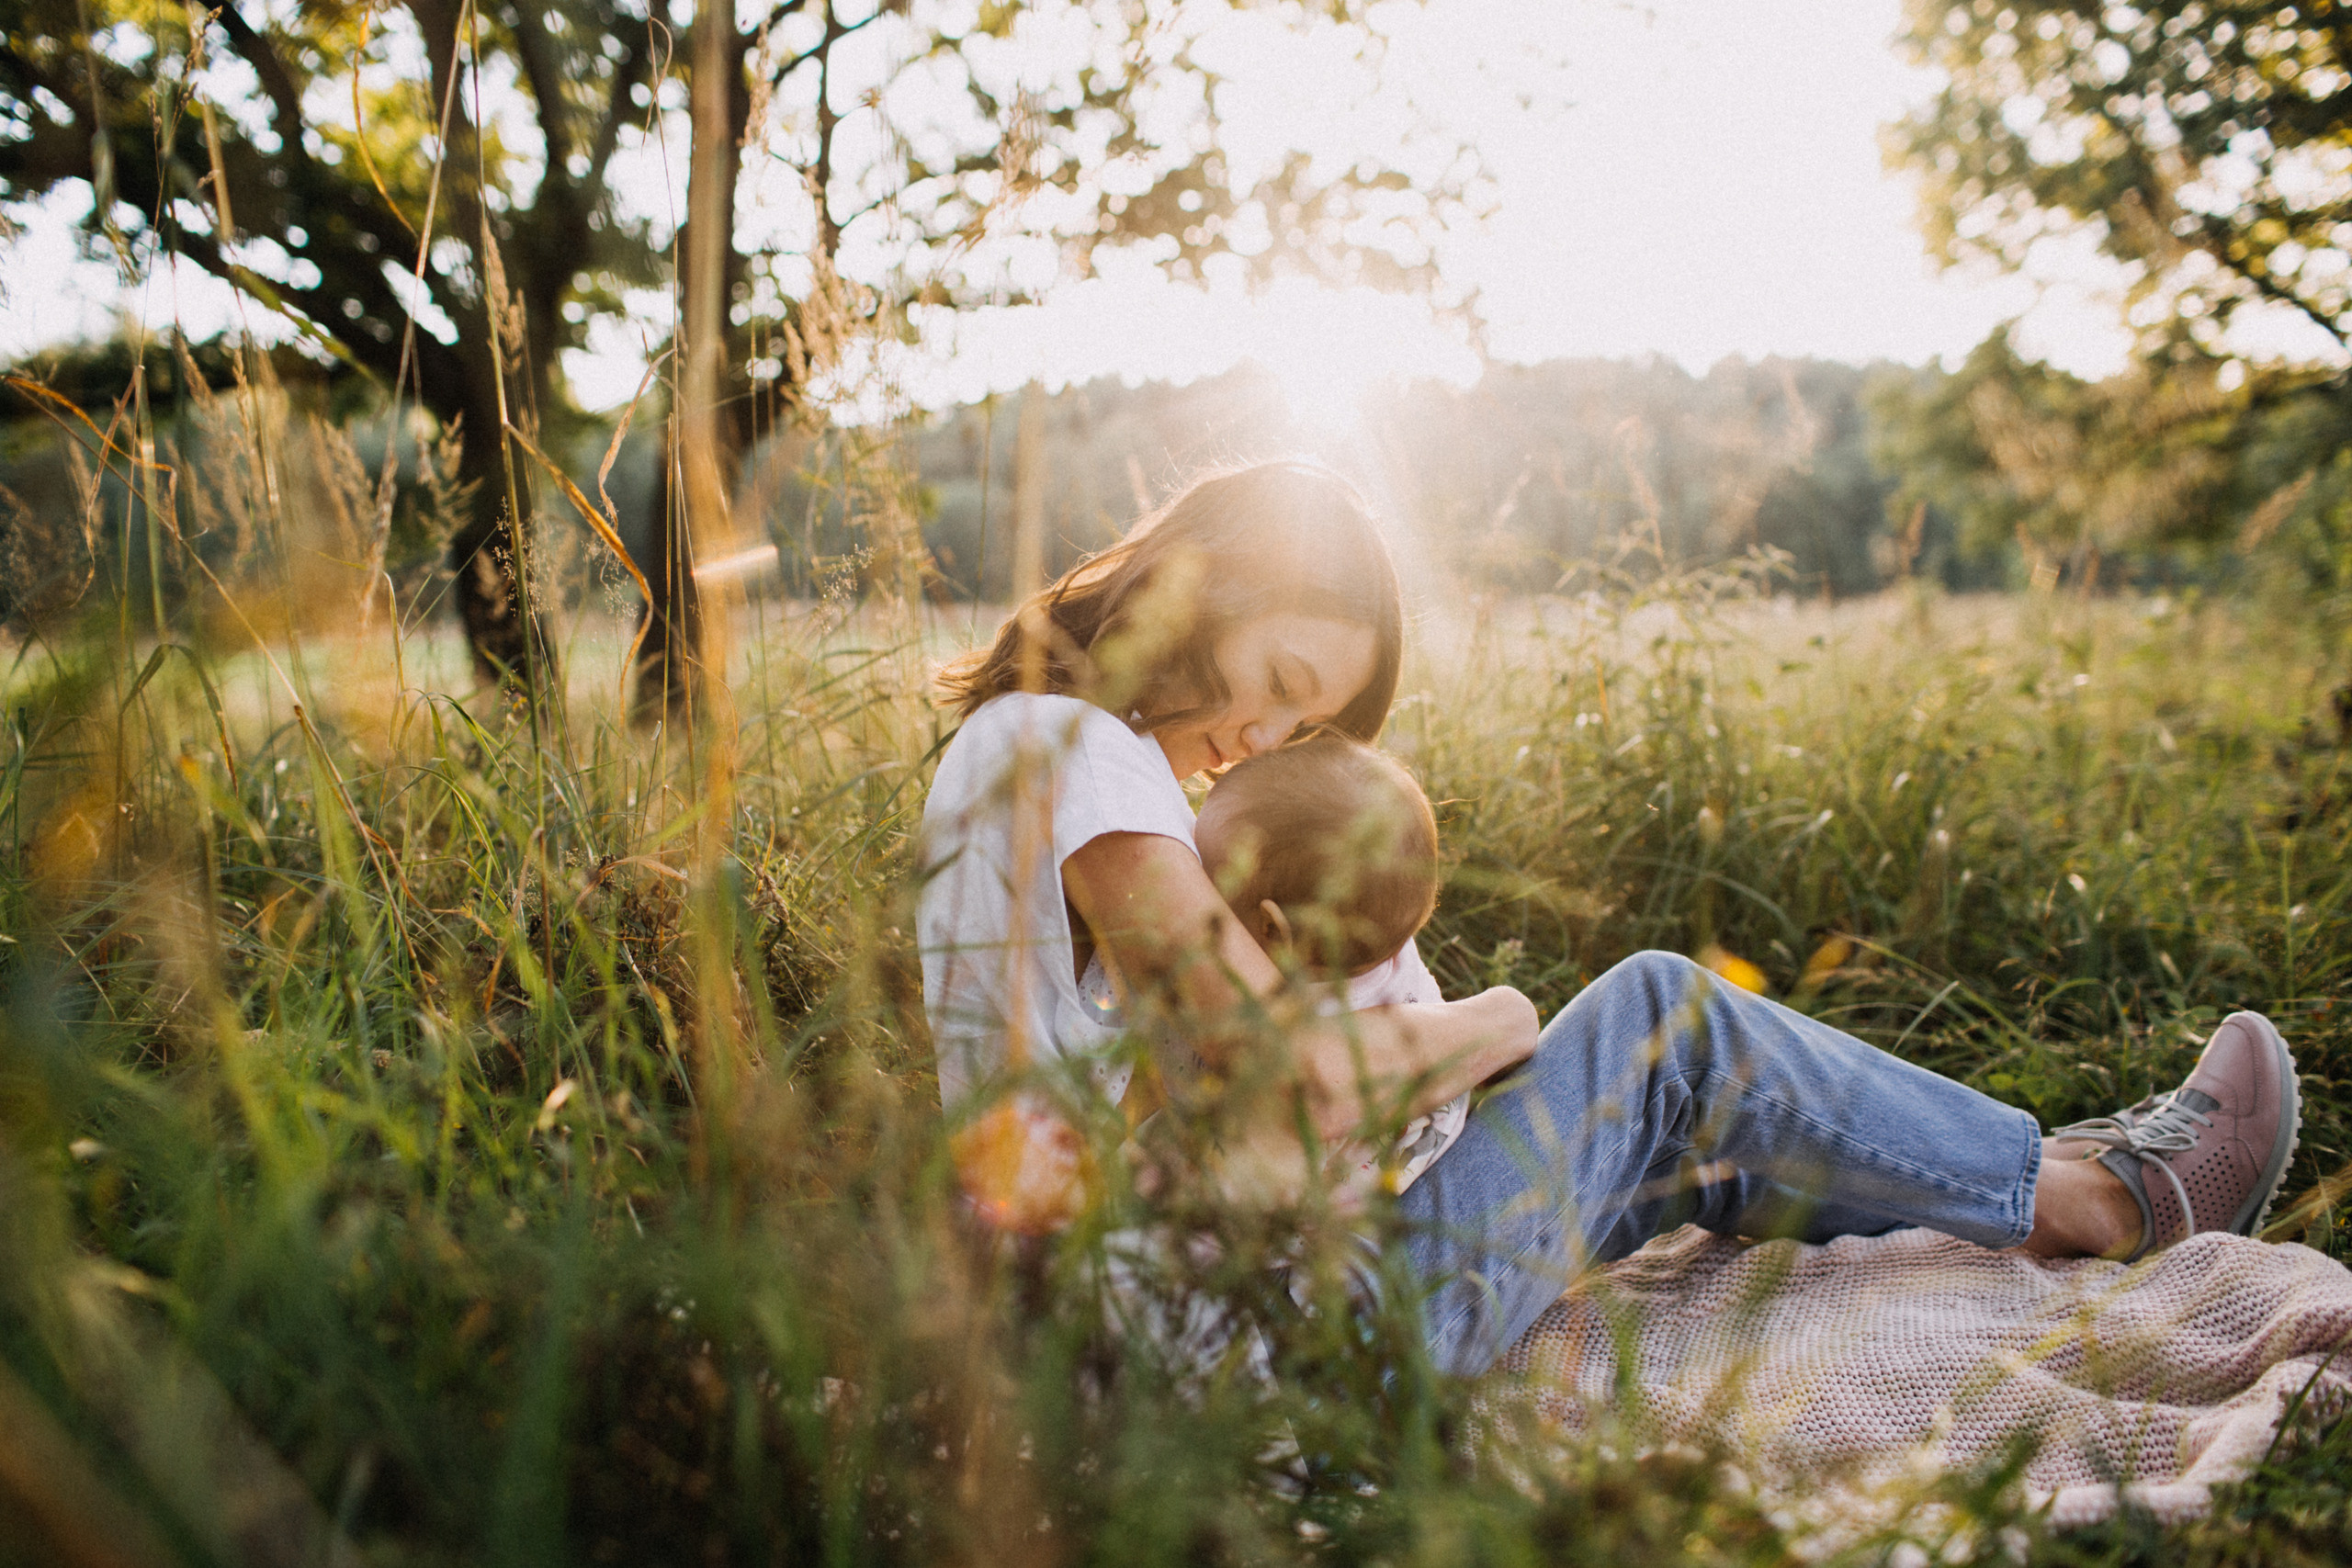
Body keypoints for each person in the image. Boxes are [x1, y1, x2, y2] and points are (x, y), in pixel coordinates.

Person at [915, 458, 2302, 1378]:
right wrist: (1497, 1020)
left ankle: (2039, 1181)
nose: (1261, 737)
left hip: (1187, 1319)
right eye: (1277, 681)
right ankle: (2107, 1198)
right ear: (1209, 577)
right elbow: (1298, 1076)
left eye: (1301, 722)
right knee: (1657, 1019)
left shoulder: (1053, 761)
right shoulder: (1072, 744)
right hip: (1264, 1343)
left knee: (1705, 1134)